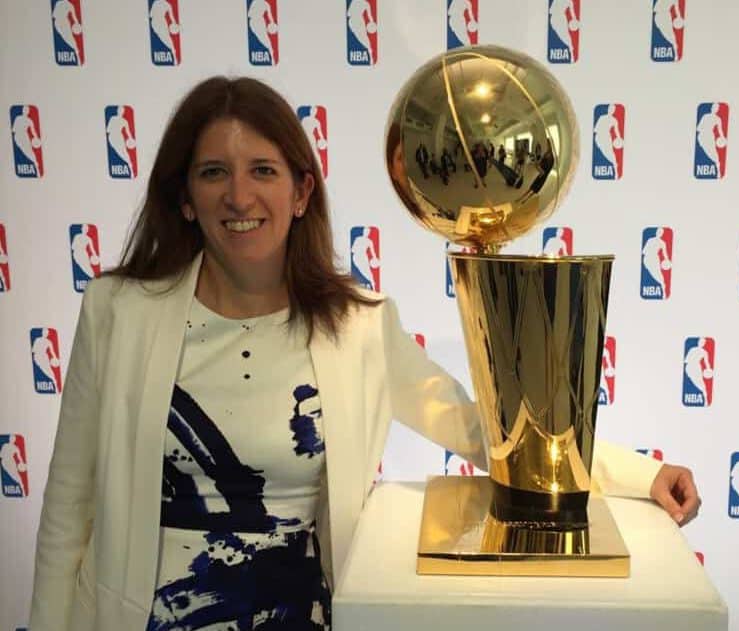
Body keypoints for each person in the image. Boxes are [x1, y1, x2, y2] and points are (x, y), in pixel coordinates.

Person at [30, 76, 700, 631]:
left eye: (262, 171)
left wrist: (643, 475)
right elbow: (68, 507)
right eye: (214, 173)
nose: (238, 196)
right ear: (184, 197)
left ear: (299, 194)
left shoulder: (358, 324)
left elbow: (481, 431)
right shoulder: (116, 310)